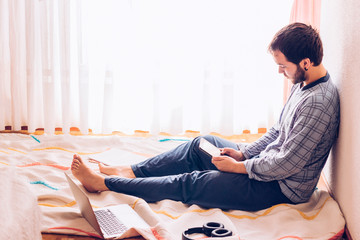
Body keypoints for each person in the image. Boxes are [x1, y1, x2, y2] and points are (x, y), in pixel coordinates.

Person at [71, 22, 340, 211]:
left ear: (306, 62)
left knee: (193, 182)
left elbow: (288, 164)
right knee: (201, 144)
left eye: (283, 66)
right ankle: (130, 171)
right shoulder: (302, 84)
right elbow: (277, 132)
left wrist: (240, 168)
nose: (280, 72)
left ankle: (105, 184)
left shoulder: (318, 102)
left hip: (281, 187)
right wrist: (244, 154)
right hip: (268, 165)